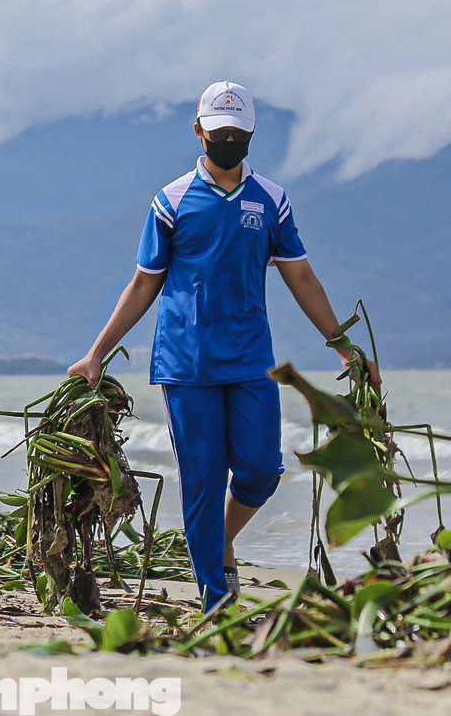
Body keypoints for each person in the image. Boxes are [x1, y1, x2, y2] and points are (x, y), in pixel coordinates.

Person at [67, 81, 380, 611]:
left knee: (261, 470)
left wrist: (344, 346)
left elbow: (301, 277)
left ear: (251, 134)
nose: (228, 141)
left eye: (237, 133)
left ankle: (223, 542)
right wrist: (96, 353)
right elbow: (143, 283)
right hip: (187, 365)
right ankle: (215, 600)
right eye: (219, 132)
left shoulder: (272, 200)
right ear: (199, 132)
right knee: (203, 481)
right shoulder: (171, 201)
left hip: (251, 359)